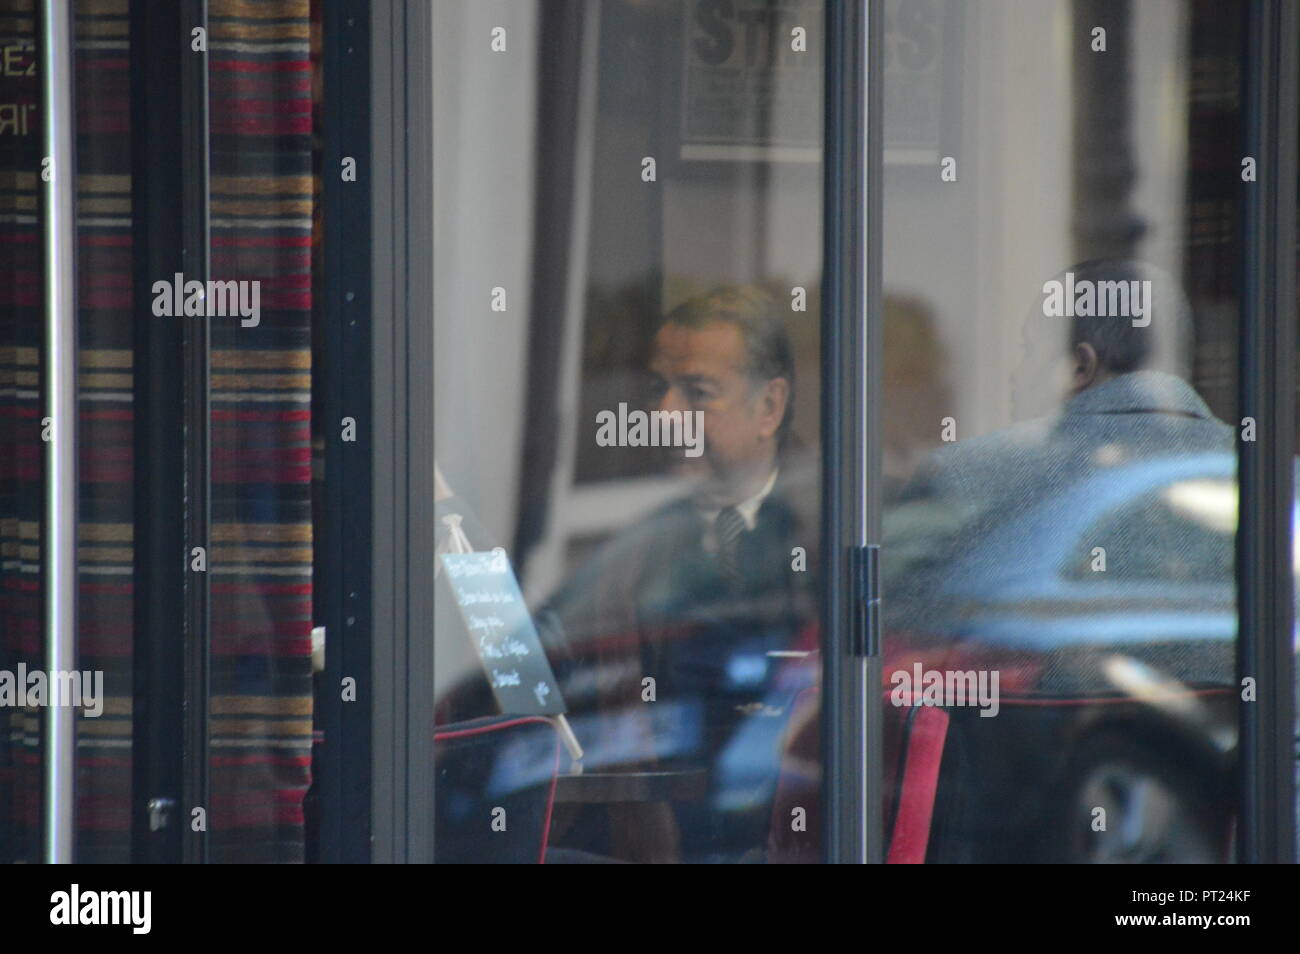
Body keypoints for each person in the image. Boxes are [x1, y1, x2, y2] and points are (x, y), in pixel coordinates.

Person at [539, 284, 820, 862]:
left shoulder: (829, 528)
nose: (663, 415)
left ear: (769, 407)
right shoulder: (642, 536)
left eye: (697, 392)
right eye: (658, 390)